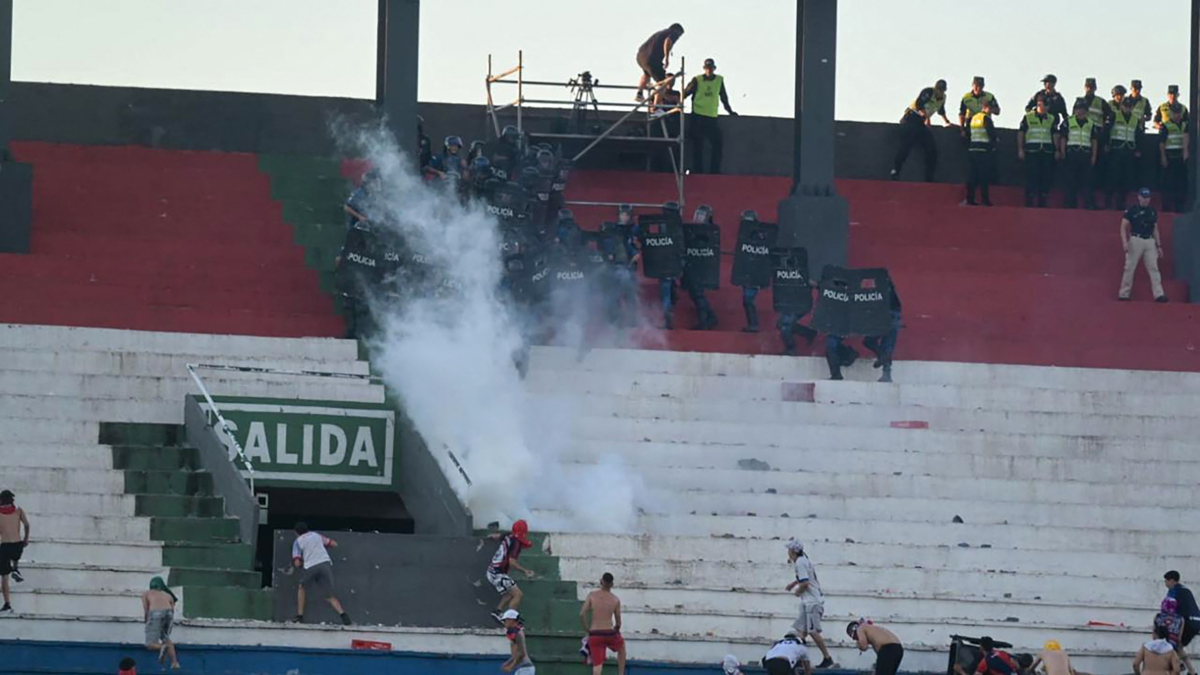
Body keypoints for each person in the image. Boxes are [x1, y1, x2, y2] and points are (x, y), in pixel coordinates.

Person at [784, 539, 834, 668]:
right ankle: (799, 659)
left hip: (812, 602)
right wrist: (794, 583)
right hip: (808, 602)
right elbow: (804, 577)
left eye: (789, 550)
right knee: (801, 631)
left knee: (812, 631)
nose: (788, 553)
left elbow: (805, 583)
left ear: (793, 551)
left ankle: (827, 658)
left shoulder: (800, 563)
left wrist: (797, 591)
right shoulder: (804, 560)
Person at [683, 58, 737, 174]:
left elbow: (723, 97)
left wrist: (730, 111)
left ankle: (714, 171)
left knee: (717, 143)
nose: (709, 70)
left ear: (714, 69)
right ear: (704, 69)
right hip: (697, 116)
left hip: (711, 117)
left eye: (711, 68)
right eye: (707, 68)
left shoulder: (719, 80)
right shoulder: (697, 80)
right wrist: (677, 103)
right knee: (698, 145)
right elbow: (686, 93)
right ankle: (698, 171)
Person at [891, 79, 952, 182]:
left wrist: (946, 121)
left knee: (931, 148)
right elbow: (919, 104)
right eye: (938, 90)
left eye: (941, 90)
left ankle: (929, 177)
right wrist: (925, 116)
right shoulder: (928, 92)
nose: (939, 92)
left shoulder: (943, 98)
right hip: (912, 117)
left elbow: (941, 110)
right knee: (907, 144)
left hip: (921, 122)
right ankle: (895, 170)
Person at [291, 521, 351, 625]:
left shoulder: (297, 542)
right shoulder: (316, 535)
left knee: (302, 587)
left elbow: (297, 563)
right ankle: (343, 615)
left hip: (310, 566)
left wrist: (301, 564)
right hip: (325, 564)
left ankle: (300, 616)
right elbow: (333, 544)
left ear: (296, 532)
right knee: (329, 594)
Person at [1119, 188, 1167, 302]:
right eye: (1144, 197)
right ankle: (1124, 293)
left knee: (1154, 268)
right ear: (1139, 197)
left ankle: (1159, 294)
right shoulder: (1132, 210)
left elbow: (1155, 229)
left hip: (1149, 240)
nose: (1146, 200)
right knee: (1130, 267)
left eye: (1148, 198)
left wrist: (1158, 245)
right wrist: (1124, 242)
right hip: (1136, 238)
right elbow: (1123, 226)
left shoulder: (1152, 211)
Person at [488, 520, 535, 622]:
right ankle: (511, 619)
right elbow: (512, 562)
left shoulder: (508, 536)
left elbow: (496, 536)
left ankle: (497, 612)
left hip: (492, 571)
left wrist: (490, 536)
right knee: (518, 594)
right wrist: (525, 571)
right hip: (497, 573)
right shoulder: (516, 543)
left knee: (509, 593)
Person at [1019, 94, 1060, 207]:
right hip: (1032, 150)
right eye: (1043, 104)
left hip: (1047, 150)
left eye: (1047, 105)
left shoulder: (1051, 118)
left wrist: (1057, 150)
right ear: (1038, 104)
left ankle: (1043, 200)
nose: (1045, 107)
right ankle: (1029, 199)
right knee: (1031, 175)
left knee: (1046, 176)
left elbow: (1055, 134)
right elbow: (1021, 133)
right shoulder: (1028, 117)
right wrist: (1020, 148)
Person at [581, 572, 625, 675]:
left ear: (601, 581)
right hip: (609, 633)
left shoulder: (592, 595)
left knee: (597, 664)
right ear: (612, 584)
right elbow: (618, 621)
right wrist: (616, 628)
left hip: (595, 633)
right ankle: (621, 673)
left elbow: (581, 614)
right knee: (621, 647)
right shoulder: (615, 599)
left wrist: (587, 629)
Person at [683, 205, 719, 330]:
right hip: (693, 265)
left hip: (703, 267)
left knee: (698, 294)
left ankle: (705, 320)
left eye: (701, 215)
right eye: (697, 215)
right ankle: (710, 317)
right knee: (695, 294)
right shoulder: (693, 229)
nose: (698, 218)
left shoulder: (708, 231)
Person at [1106, 97, 1145, 210]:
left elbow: (1139, 135)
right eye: (1125, 106)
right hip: (1116, 149)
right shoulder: (1114, 115)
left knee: (1126, 178)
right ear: (1121, 106)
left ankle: (1121, 202)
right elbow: (1106, 130)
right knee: (1113, 176)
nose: (1127, 108)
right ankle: (1109, 200)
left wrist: (1138, 149)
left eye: (1129, 106)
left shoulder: (1135, 119)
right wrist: (1106, 144)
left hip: (1129, 151)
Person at [1060, 100, 1100, 209]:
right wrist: (1062, 151)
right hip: (1072, 152)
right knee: (1070, 180)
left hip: (1085, 153)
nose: (1079, 111)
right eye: (1077, 109)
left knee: (1087, 180)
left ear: (1086, 111)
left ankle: (1089, 203)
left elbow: (1094, 140)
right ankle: (1070, 203)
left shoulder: (1090, 123)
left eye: (1082, 109)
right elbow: (1063, 137)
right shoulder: (1068, 121)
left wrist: (1094, 155)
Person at [635, 23, 684, 103]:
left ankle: (639, 93)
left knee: (647, 74)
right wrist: (667, 58)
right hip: (652, 60)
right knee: (663, 84)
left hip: (640, 57)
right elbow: (668, 41)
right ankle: (655, 107)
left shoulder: (661, 33)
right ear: (678, 31)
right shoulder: (673, 33)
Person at [862, 285, 902, 383]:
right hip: (895, 319)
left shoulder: (881, 289)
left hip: (884, 317)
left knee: (869, 341)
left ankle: (882, 355)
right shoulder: (891, 291)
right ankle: (886, 373)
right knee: (888, 346)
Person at [963, 97, 998, 207]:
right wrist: (994, 145)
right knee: (984, 176)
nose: (991, 111)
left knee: (972, 175)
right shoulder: (986, 118)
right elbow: (991, 134)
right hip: (984, 150)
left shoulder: (973, 118)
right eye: (990, 108)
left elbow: (967, 133)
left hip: (973, 148)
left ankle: (969, 198)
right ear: (986, 107)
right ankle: (985, 200)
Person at [0, 489, 29, 612]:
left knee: (4, 577)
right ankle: (15, 568)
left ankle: (7, 603)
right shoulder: (18, 510)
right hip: (17, 544)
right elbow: (27, 525)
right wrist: (26, 539)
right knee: (16, 554)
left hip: (5, 545)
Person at [142, 577, 180, 670]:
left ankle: (162, 648)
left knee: (150, 644)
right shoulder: (168, 595)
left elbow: (147, 610)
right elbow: (172, 611)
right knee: (165, 638)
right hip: (169, 614)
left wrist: (147, 622)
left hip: (156, 613)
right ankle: (174, 662)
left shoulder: (147, 593)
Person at [1166, 571, 1200, 674]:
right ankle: (1192, 671)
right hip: (1197, 622)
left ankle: (1177, 667)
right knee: (1179, 647)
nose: (1165, 583)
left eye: (1166, 581)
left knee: (1170, 644)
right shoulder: (1186, 590)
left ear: (1172, 581)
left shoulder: (1173, 591)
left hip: (1186, 622)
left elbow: (1169, 609)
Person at [1159, 105, 1191, 213]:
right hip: (1170, 156)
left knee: (1181, 183)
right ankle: (1166, 207)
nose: (1177, 115)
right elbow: (1162, 143)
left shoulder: (1185, 125)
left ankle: (1179, 206)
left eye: (1178, 113)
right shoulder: (1166, 125)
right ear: (1171, 113)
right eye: (1175, 113)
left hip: (1181, 157)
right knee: (1168, 183)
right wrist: (1163, 157)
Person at [501, 609, 536, 675]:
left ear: (511, 620)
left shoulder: (517, 633)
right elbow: (516, 654)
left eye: (505, 620)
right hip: (523, 668)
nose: (504, 623)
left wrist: (511, 666)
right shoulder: (516, 632)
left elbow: (521, 653)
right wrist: (507, 663)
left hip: (525, 668)